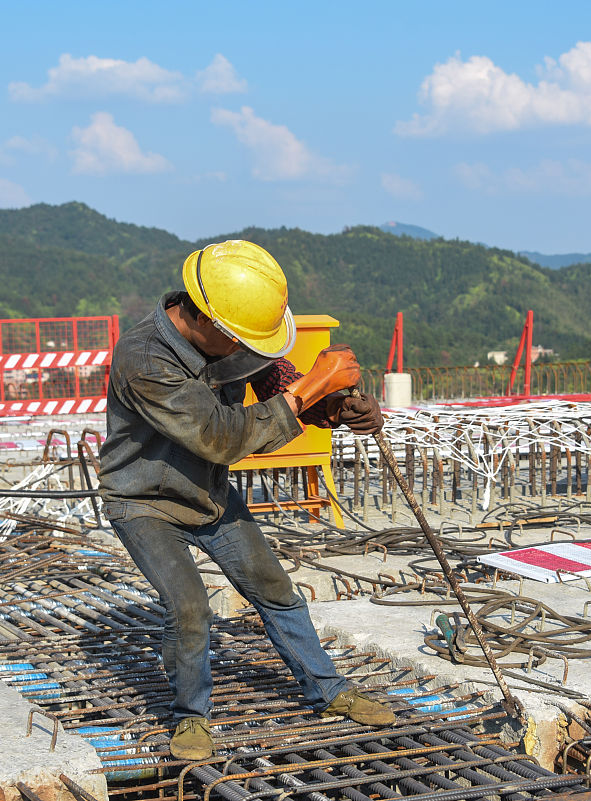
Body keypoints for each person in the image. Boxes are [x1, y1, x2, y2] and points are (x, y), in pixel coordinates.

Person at [98, 239, 394, 761]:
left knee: (276, 590)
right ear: (205, 320)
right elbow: (222, 437)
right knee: (189, 607)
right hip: (143, 501)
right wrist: (307, 394)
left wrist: (340, 405)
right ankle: (191, 716)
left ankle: (327, 687)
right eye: (239, 341)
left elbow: (277, 381)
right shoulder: (143, 356)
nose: (244, 350)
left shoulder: (231, 337)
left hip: (207, 494)